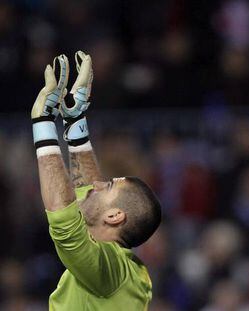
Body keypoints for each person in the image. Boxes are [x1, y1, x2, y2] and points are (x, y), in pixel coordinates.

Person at [31, 51, 162, 310]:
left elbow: (65, 223)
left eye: (109, 185)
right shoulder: (118, 270)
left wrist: (44, 122)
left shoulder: (112, 272)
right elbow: (84, 197)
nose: (98, 183)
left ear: (115, 216)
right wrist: (74, 120)